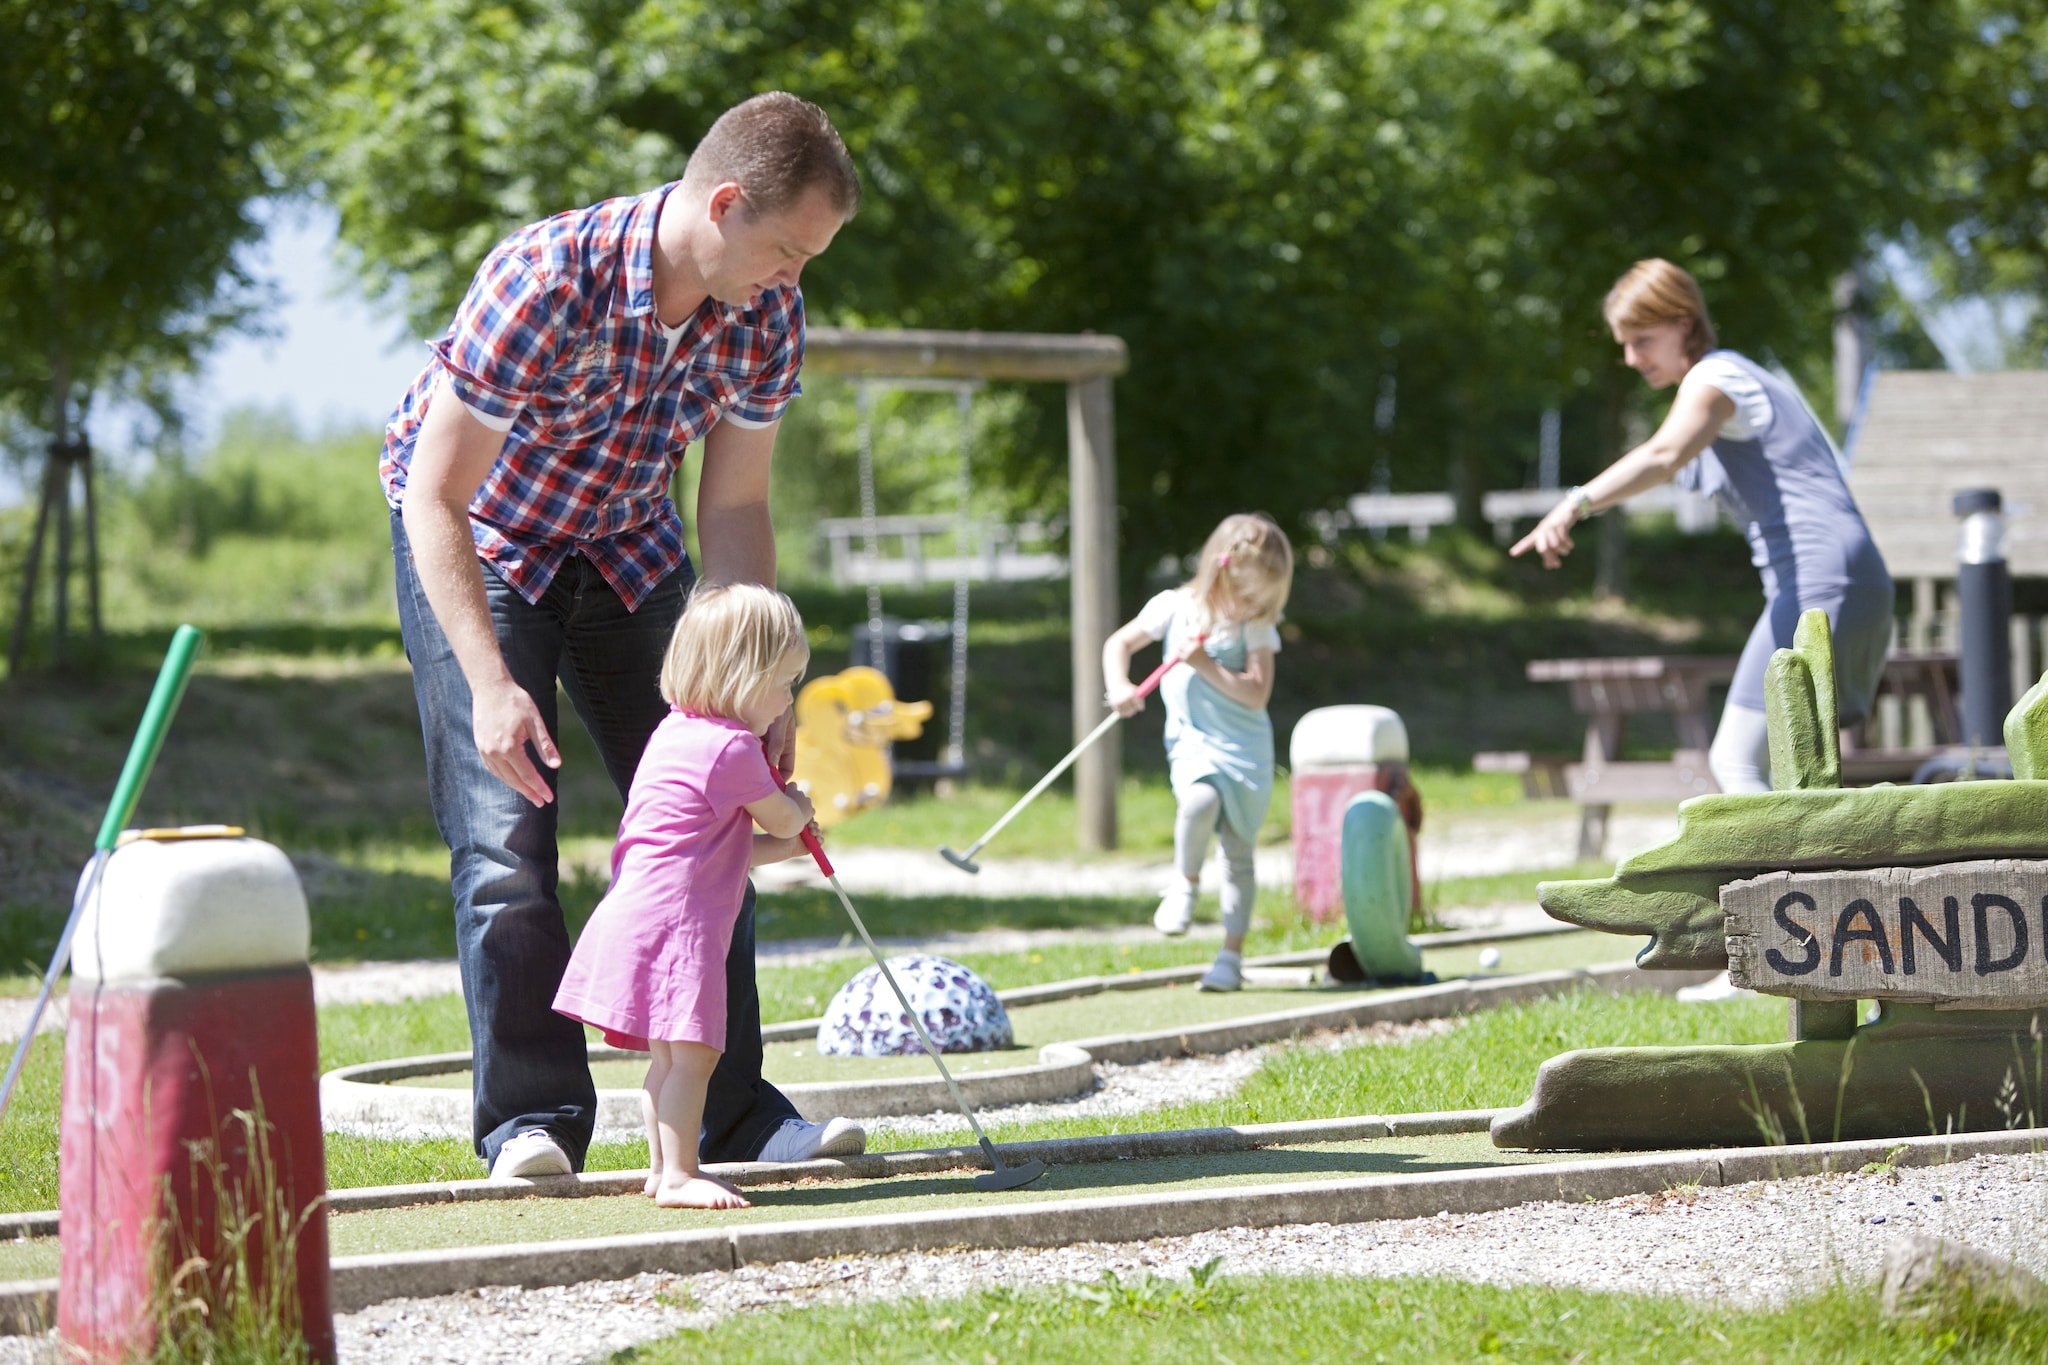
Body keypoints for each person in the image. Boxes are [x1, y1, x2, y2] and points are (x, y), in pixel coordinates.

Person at [382, 92, 867, 1180]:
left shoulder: (764, 315)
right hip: (486, 540)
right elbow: (434, 495)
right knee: (505, 846)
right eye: (787, 252)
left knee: (720, 810)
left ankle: (737, 1121)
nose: (792, 279)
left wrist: (758, 691)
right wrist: (490, 683)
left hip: (630, 546)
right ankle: (531, 1123)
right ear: (724, 205)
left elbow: (734, 506)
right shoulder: (545, 277)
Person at [1511, 259, 1893, 795]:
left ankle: (1781, 858)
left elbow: (1663, 455)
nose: (1630, 358)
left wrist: (1574, 503)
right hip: (1841, 577)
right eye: (1624, 344)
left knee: (1734, 761)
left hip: (1822, 578)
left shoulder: (1718, 378)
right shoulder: (1729, 382)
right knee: (1787, 770)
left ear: (1684, 323)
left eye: (1643, 340)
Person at [553, 583, 815, 1209]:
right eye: (785, 684)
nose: (788, 702)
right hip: (680, 928)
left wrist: (788, 849)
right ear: (744, 675)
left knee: (668, 1061)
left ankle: (660, 1169)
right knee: (695, 1057)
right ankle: (679, 1175)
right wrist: (799, 809)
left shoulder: (674, 733)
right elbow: (781, 817)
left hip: (643, 910)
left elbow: (720, 852)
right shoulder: (732, 747)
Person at [1103, 513, 1295, 992]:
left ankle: (1230, 957)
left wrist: (1203, 663)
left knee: (1238, 852)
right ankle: (1185, 884)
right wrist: (1119, 685)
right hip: (1193, 741)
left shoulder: (1254, 625)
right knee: (1198, 801)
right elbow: (1119, 643)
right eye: (1245, 592)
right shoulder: (1174, 607)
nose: (1250, 603)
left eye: (1259, 597)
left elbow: (1256, 694)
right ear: (1220, 569)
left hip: (1244, 748)